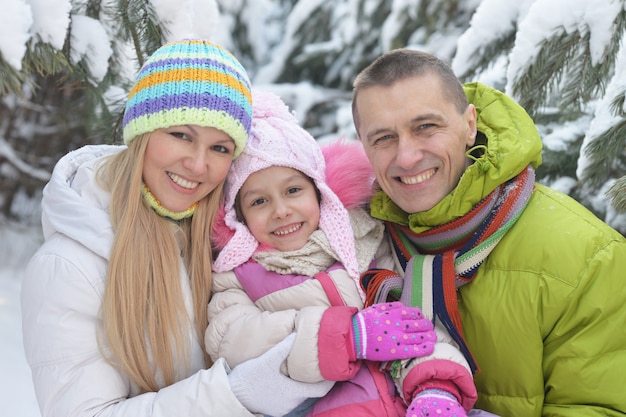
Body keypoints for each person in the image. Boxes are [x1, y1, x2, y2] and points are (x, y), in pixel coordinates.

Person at [20, 39, 334, 417]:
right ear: (141, 133)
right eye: (181, 135)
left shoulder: (223, 242)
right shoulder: (69, 266)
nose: (198, 165)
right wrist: (237, 394)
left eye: (219, 148)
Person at [351, 48, 626, 417]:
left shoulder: (586, 255)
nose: (407, 157)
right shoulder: (352, 245)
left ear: (469, 125)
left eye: (426, 127)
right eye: (383, 138)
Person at [206, 89, 477, 417]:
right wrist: (348, 335)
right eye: (258, 201)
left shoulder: (363, 247)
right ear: (239, 215)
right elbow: (234, 340)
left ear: (320, 194)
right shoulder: (240, 275)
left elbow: (413, 324)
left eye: (293, 190)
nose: (281, 211)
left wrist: (435, 386)